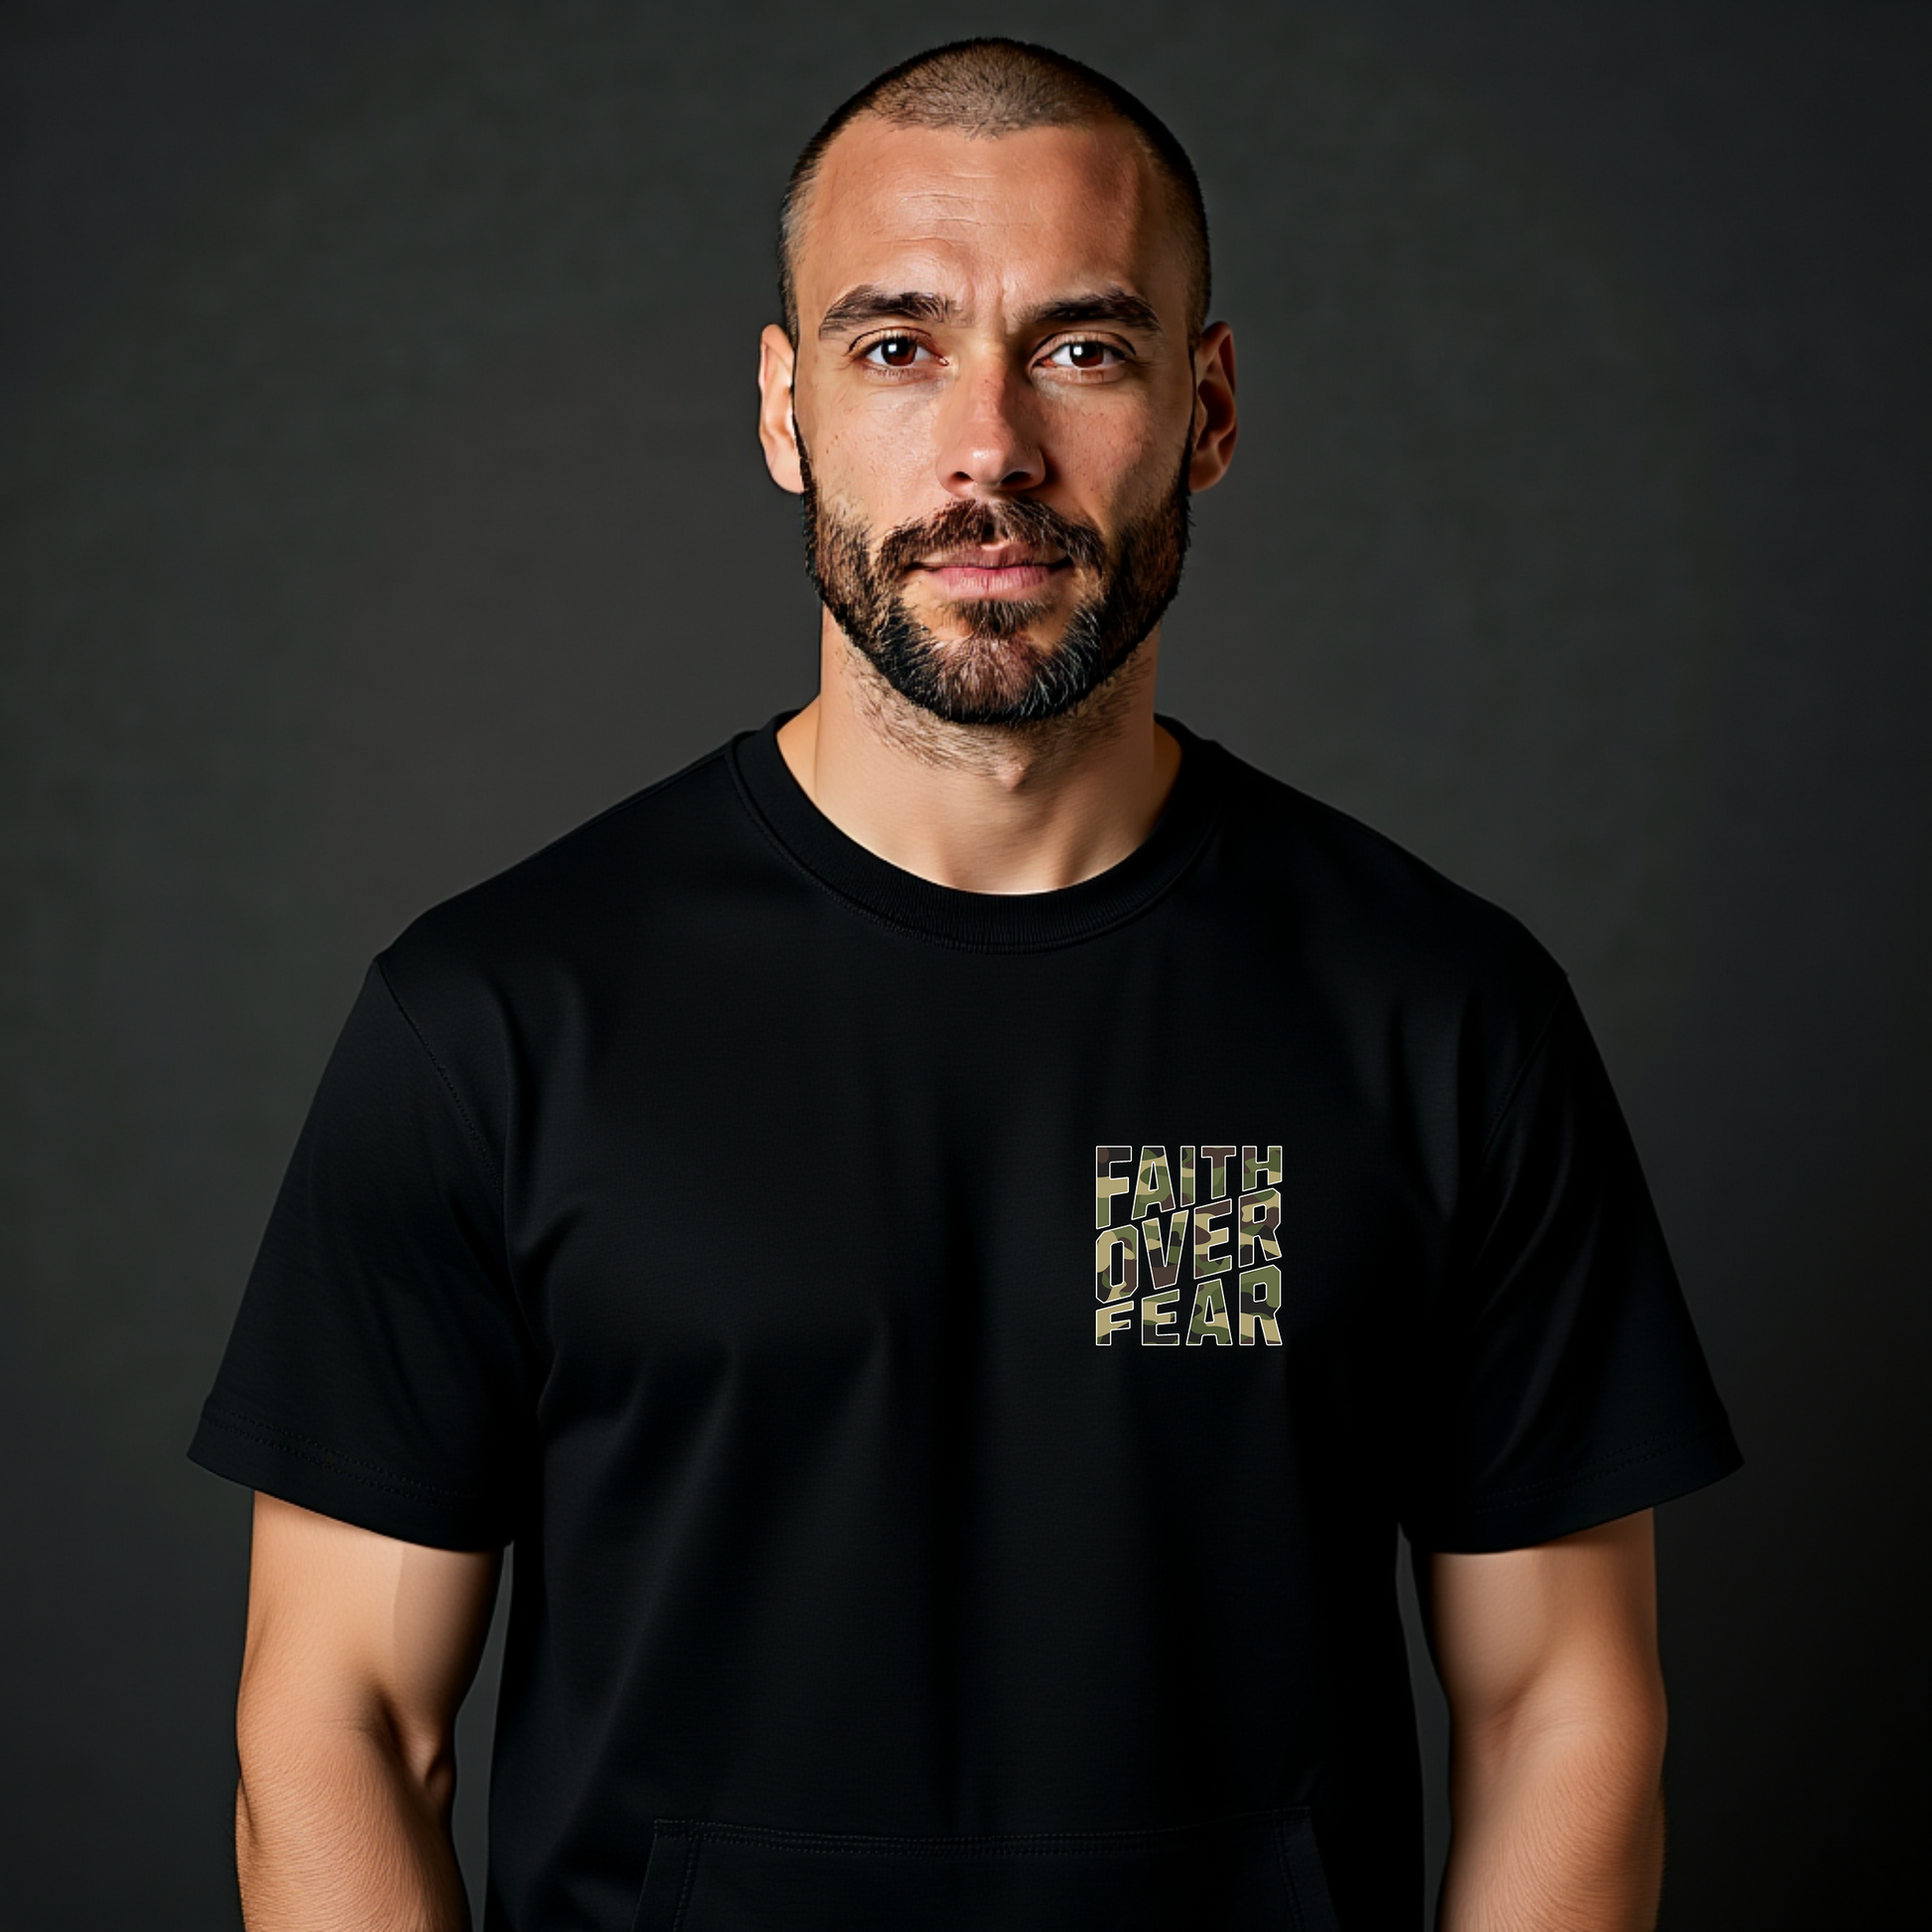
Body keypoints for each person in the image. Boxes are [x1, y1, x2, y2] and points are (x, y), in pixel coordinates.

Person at [188, 37, 1742, 1932]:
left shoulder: (1441, 1015)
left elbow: (1561, 1704)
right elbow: (336, 1722)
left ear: (1207, 408)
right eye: (896, 347)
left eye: (1079, 348)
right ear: (786, 409)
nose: (988, 447)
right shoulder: (494, 1020)